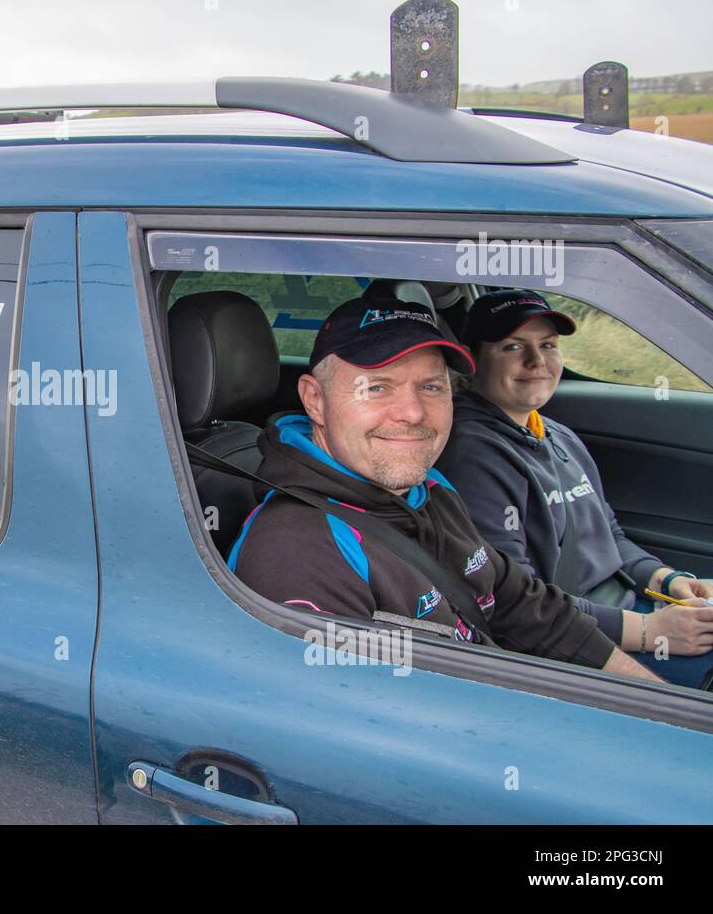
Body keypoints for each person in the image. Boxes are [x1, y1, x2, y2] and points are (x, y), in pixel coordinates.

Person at [228, 296, 662, 682]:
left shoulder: (430, 488)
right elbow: (368, 732)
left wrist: (656, 701)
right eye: (377, 387)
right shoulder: (297, 551)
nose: (414, 412)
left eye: (431, 386)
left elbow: (526, 606)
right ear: (315, 401)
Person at [436, 289, 713, 686]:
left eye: (547, 345)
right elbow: (515, 600)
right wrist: (653, 631)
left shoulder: (556, 435)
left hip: (628, 608)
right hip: (577, 639)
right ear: (472, 359)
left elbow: (610, 535)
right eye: (513, 347)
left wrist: (665, 578)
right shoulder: (470, 455)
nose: (536, 361)